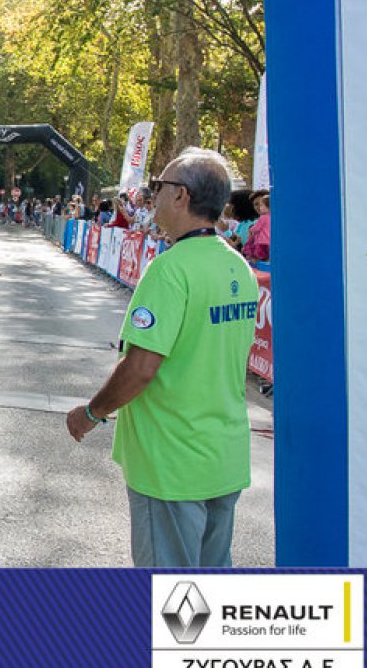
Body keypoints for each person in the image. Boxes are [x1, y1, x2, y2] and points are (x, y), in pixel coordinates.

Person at [65, 148, 257, 567]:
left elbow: (141, 367)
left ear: (181, 195)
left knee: (169, 595)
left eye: (158, 186)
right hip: (223, 455)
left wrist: (91, 413)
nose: (151, 195)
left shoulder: (170, 269)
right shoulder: (238, 266)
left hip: (172, 461)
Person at [242, 190, 270, 263]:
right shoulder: (254, 223)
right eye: (256, 204)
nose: (259, 207)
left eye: (261, 204)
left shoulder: (277, 221)